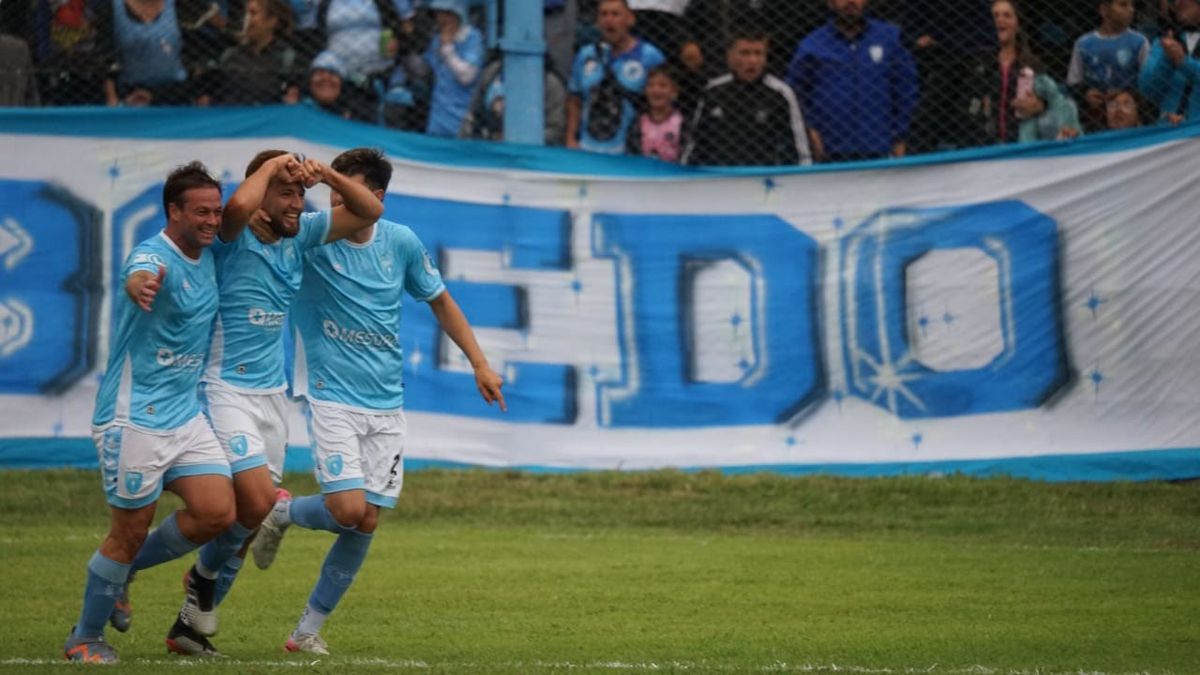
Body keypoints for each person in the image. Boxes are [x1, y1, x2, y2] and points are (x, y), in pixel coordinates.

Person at [117, 149, 383, 656]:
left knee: (246, 521)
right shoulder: (230, 235)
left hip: (271, 395)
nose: (297, 204)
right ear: (261, 195)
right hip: (223, 388)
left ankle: (189, 622)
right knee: (257, 502)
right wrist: (273, 166)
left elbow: (369, 210)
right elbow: (238, 205)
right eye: (286, 193)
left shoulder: (300, 233)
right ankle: (128, 570)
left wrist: (322, 174)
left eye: (301, 195)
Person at [247, 148, 506, 655]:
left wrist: (478, 361)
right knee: (347, 508)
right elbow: (268, 224)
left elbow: (440, 300)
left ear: (374, 196)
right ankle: (281, 513)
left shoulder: (400, 242)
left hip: (386, 402)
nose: (331, 199)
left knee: (366, 520)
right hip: (331, 395)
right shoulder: (313, 236)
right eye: (330, 189)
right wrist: (264, 212)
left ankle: (306, 631)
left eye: (341, 188)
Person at [62, 161, 248, 663]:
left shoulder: (209, 254)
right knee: (129, 532)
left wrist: (275, 166)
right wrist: (140, 285)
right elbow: (137, 274)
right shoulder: (152, 254)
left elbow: (244, 207)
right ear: (174, 212)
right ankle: (84, 636)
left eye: (217, 211)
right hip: (133, 417)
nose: (213, 221)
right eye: (201, 212)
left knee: (218, 513)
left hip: (184, 414)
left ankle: (126, 574)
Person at [786, 0, 919, 162]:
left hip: (880, 148)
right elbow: (795, 95)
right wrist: (811, 130)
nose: (851, 2)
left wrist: (900, 136)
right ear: (830, 3)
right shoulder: (812, 46)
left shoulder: (891, 39)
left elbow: (906, 89)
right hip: (829, 151)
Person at [682, 32, 811, 166]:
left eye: (758, 53)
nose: (752, 60)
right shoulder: (713, 91)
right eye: (744, 53)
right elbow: (694, 143)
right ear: (730, 56)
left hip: (764, 178)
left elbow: (800, 148)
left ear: (766, 57)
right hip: (720, 176)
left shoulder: (781, 93)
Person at [966, 0, 1081, 144]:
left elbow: (1058, 101)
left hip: (1024, 144)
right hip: (985, 146)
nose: (1000, 20)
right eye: (995, 16)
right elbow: (965, 104)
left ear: (1017, 23)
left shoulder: (1032, 64)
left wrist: (1041, 106)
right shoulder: (978, 63)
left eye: (1007, 15)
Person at [566, 0, 666, 154]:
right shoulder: (586, 55)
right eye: (603, 14)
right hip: (587, 149)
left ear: (630, 19)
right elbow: (575, 100)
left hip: (630, 152)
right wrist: (571, 138)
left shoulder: (650, 56)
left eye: (615, 14)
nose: (609, 20)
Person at [402, 0, 485, 137]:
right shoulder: (437, 39)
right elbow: (426, 68)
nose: (442, 19)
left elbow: (467, 76)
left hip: (464, 111)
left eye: (447, 14)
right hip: (440, 113)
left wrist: (447, 49)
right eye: (439, 14)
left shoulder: (472, 37)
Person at [1067, 0, 1150, 132]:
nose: (1131, 10)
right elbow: (1073, 82)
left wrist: (1126, 93)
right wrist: (1086, 93)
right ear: (1104, 10)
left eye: (1132, 5)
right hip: (1094, 118)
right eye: (1123, 5)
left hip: (1130, 116)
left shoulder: (1140, 42)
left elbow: (1149, 83)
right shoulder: (1083, 44)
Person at [95, 0, 192, 106]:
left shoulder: (180, 5)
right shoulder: (111, 7)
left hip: (175, 92)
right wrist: (112, 97)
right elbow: (105, 56)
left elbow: (197, 49)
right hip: (130, 94)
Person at [459, 52, 568, 145]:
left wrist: (517, 138)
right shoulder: (492, 72)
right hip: (489, 148)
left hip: (533, 154)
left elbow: (555, 130)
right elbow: (473, 114)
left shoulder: (551, 84)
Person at [207, 0, 302, 105]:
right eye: (245, 14)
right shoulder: (230, 55)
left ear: (272, 20)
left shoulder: (286, 57)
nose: (246, 20)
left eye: (253, 13)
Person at [1139, 0, 1200, 124]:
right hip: (1168, 129)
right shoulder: (1164, 40)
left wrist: (1184, 63)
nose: (1177, 3)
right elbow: (1147, 89)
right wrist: (1167, 60)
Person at [626, 65, 686, 161]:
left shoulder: (681, 122)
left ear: (674, 92)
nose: (655, 90)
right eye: (650, 85)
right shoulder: (639, 122)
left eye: (662, 85)